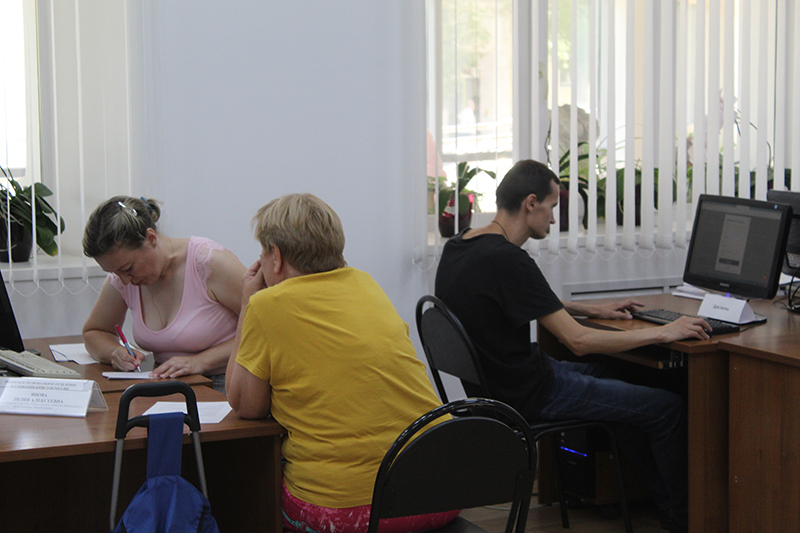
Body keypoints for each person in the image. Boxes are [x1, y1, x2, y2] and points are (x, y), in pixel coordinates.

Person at [434, 160, 711, 533]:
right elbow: (579, 342)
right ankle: (683, 518)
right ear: (531, 203)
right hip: (532, 394)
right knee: (668, 409)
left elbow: (510, 296)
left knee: (625, 374)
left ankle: (652, 501)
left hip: (499, 387)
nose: (553, 218)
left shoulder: (462, 245)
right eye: (552, 206)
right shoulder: (509, 260)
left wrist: (590, 309)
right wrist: (664, 333)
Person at [226, 193, 457, 533]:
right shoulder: (367, 285)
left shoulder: (267, 305)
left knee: (249, 495)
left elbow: (246, 406)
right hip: (443, 491)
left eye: (262, 252)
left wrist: (247, 304)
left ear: (276, 256)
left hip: (353, 511)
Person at [82, 196, 246, 393]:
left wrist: (201, 361)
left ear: (151, 238)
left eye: (128, 268)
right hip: (169, 382)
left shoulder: (209, 262)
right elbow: (94, 332)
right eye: (115, 272)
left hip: (226, 381)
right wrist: (114, 352)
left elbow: (268, 327)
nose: (124, 280)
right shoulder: (124, 278)